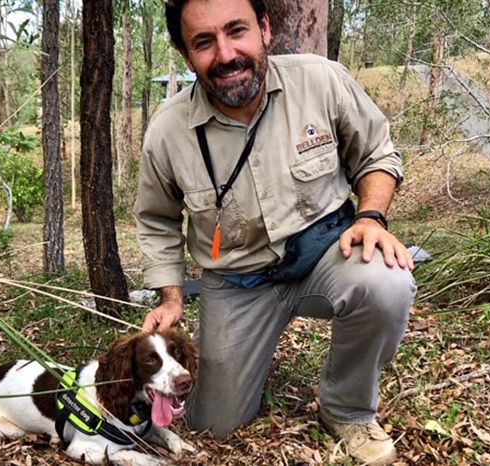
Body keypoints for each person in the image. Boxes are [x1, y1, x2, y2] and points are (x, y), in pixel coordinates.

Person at [134, 0, 417, 464]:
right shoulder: (167, 132)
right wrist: (170, 297)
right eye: (203, 42)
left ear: (264, 28)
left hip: (325, 255)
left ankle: (346, 409)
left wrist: (371, 218)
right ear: (187, 56)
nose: (226, 54)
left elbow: (377, 155)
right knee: (215, 424)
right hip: (236, 282)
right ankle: (242, 369)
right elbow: (156, 219)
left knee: (385, 280)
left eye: (236, 30)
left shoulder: (321, 80)